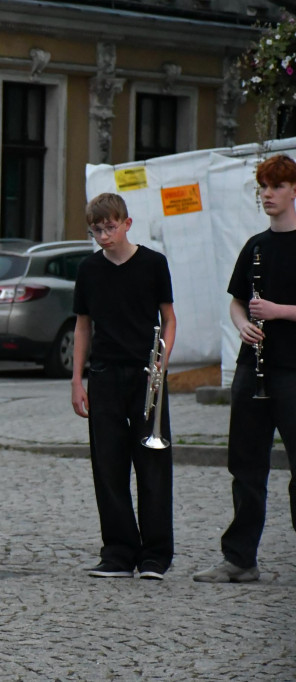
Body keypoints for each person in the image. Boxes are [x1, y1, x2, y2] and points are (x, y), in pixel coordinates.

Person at [194, 154, 296, 584]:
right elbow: (237, 300)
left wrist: (278, 311)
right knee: (246, 465)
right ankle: (240, 558)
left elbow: (269, 307)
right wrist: (242, 325)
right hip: (253, 368)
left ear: (294, 190)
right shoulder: (255, 246)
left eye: (275, 186)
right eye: (263, 188)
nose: (268, 195)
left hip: (293, 370)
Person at [71, 192, 176, 580]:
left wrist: (161, 365)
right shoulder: (88, 269)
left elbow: (169, 318)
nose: (103, 235)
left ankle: (155, 555)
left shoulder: (153, 263)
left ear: (127, 224)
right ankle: (117, 551)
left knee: (153, 466)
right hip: (103, 376)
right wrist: (76, 381)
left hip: (146, 375)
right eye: (96, 230)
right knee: (108, 467)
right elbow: (83, 325)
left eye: (110, 227)